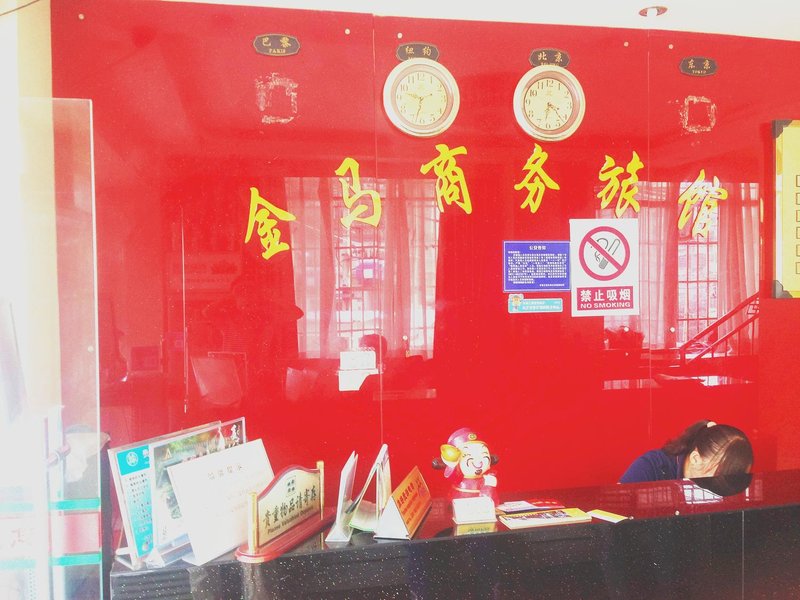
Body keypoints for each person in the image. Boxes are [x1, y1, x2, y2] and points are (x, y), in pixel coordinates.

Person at [619, 420, 753, 483]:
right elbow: (615, 517)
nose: (727, 487)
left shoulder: (730, 488)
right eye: (721, 476)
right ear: (695, 459)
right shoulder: (651, 467)